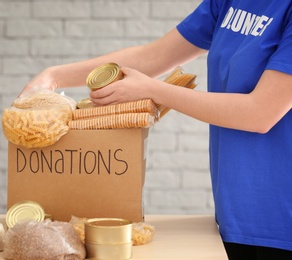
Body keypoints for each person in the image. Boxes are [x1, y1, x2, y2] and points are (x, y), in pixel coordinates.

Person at [20, 0, 292, 258]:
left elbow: (261, 112)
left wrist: (154, 90)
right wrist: (53, 76)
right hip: (236, 213)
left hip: (283, 220)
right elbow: (154, 56)